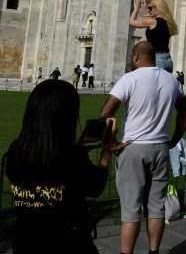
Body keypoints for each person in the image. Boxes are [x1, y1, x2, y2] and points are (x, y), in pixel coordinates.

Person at [99, 41, 186, 254]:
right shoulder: (171, 80)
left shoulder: (129, 79)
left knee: (131, 210)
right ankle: (153, 251)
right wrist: (176, 138)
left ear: (136, 57)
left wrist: (109, 143)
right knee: (156, 208)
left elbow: (106, 113)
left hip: (133, 148)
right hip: (160, 147)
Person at [6, 80, 116, 253]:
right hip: (68, 242)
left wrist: (80, 148)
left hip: (27, 239)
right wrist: (106, 154)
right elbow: (95, 186)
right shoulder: (70, 156)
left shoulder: (16, 150)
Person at [129, 0, 178, 73]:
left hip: (157, 60)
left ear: (158, 8)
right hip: (167, 60)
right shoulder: (167, 22)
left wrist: (136, 9)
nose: (149, 11)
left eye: (150, 8)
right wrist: (147, 8)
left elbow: (132, 22)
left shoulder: (152, 22)